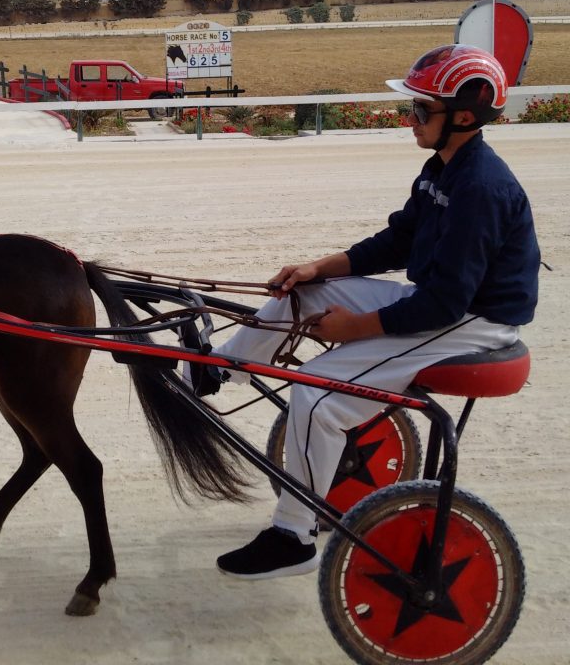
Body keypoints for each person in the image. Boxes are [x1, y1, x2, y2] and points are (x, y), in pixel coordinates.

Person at [208, 44, 539, 580]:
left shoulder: (481, 188)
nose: (409, 120)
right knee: (302, 294)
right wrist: (319, 268)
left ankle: (293, 536)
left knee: (315, 395)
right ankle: (218, 366)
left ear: (463, 115)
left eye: (419, 110)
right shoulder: (443, 167)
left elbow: (444, 303)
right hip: (441, 302)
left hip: (471, 325)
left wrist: (354, 329)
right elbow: (398, 242)